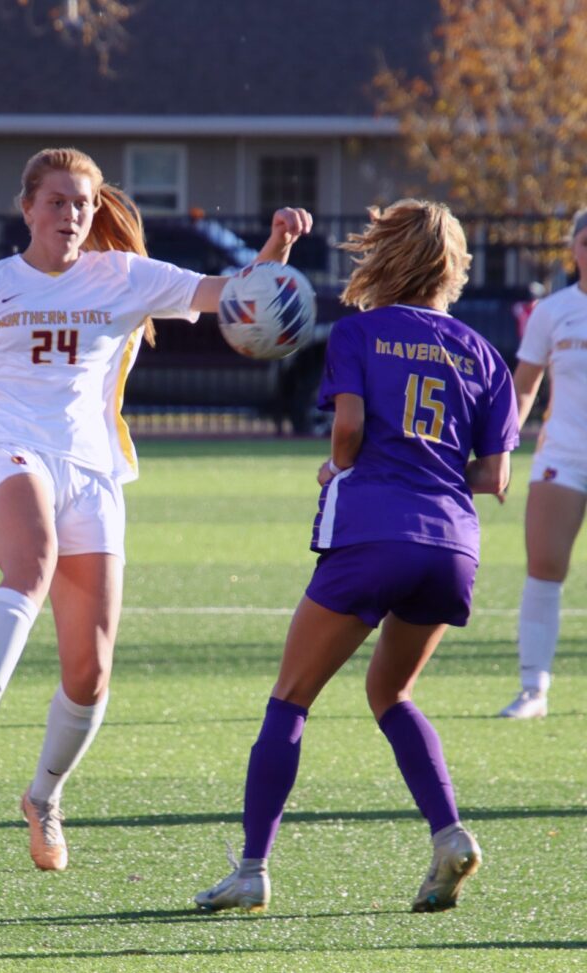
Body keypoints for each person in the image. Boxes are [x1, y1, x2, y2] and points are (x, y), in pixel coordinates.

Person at [0, 146, 312, 871]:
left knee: (89, 671)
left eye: (83, 204)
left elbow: (230, 296)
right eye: (57, 201)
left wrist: (277, 249)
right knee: (29, 567)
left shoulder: (124, 277)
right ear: (28, 207)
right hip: (6, 444)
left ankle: (43, 797)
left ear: (97, 213)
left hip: (91, 468)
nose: (71, 215)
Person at [194, 199, 519, 915]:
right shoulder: (485, 354)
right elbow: (495, 478)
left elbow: (348, 429)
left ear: (385, 255)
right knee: (391, 693)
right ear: (453, 266)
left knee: (290, 697)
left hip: (372, 531)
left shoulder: (361, 332)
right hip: (452, 545)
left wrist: (339, 467)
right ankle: (449, 833)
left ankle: (252, 868)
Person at [498, 208, 587, 719]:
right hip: (564, 457)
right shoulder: (554, 311)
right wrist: (502, 447)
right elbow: (526, 383)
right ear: (574, 249)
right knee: (545, 567)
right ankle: (534, 688)